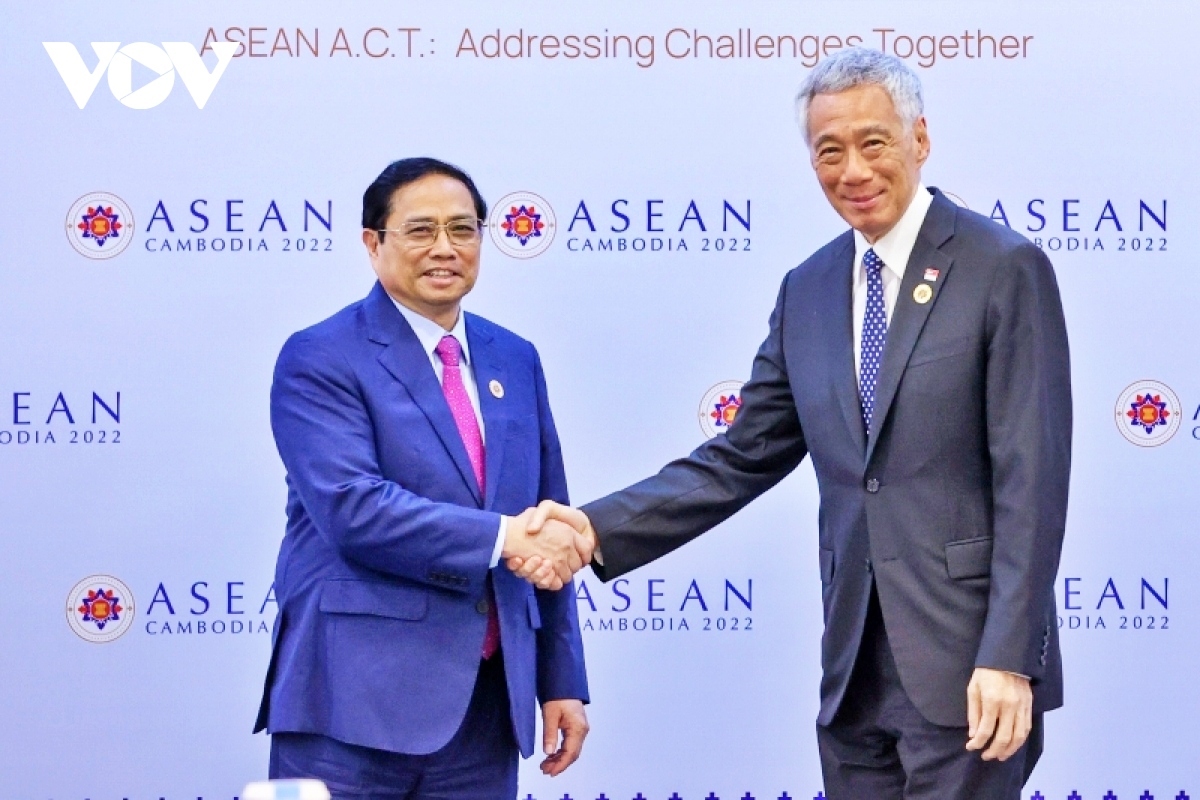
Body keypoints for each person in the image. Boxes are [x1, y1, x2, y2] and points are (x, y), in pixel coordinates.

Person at [515, 48, 1071, 799]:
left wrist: (1009, 657)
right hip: (853, 668)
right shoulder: (808, 287)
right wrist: (591, 529)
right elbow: (741, 455)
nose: (853, 170)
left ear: (920, 139)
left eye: (874, 142)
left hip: (969, 665)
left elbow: (1032, 479)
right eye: (829, 151)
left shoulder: (1001, 266)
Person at [254, 157, 590, 800]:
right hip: (350, 705)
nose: (445, 247)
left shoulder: (515, 358)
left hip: (486, 710)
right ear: (372, 243)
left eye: (463, 229)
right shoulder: (320, 355)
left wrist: (561, 680)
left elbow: (547, 518)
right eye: (420, 230)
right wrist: (506, 538)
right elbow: (353, 509)